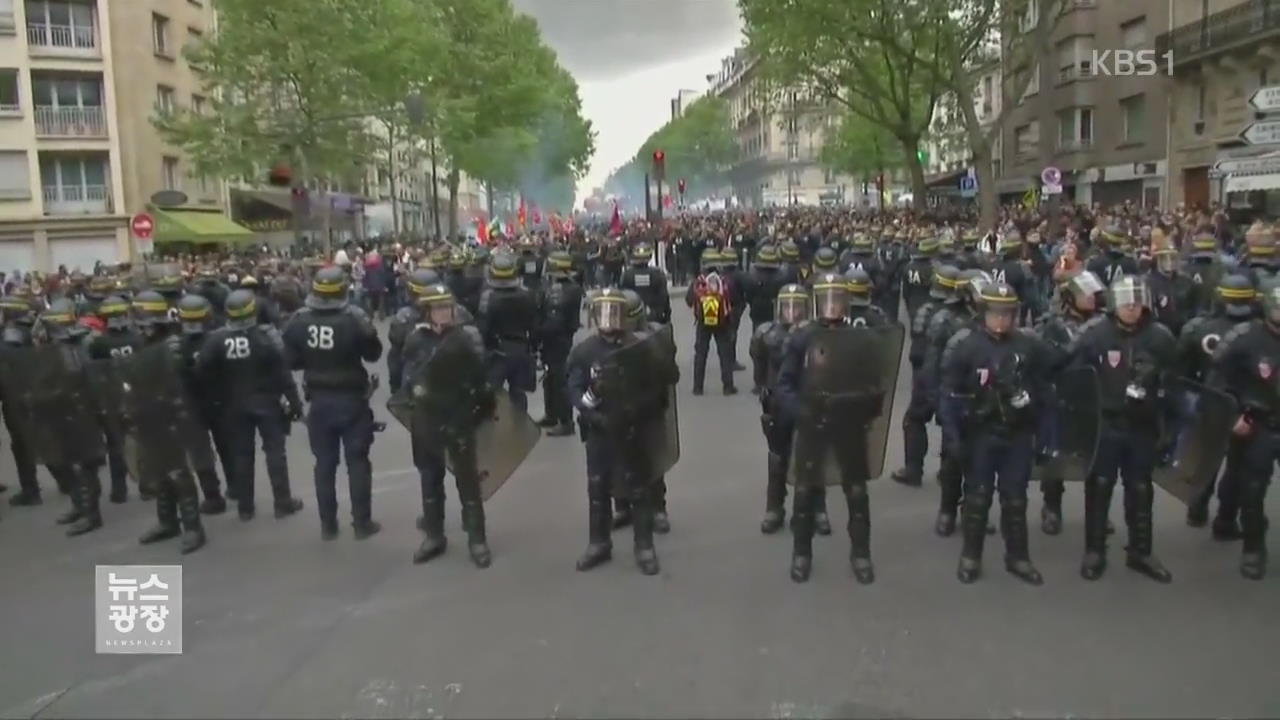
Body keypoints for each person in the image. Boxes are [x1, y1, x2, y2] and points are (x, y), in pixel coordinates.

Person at [776, 272, 895, 583]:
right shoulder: (802, 336)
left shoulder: (862, 337)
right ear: (816, 301)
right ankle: (801, 552)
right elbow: (785, 384)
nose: (832, 306)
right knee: (804, 491)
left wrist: (865, 407)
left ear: (847, 302)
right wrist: (800, 412)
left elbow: (878, 382)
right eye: (826, 299)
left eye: (837, 299)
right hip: (812, 421)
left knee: (856, 491)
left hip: (849, 424)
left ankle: (861, 554)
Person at [1068, 275, 1177, 582]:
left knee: (1140, 488)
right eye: (1127, 302)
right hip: (1106, 424)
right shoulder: (1093, 334)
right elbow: (1073, 375)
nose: (1132, 308)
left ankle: (1141, 551)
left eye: (1137, 302)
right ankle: (1094, 550)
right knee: (1099, 486)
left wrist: (1160, 396)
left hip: (1142, 424)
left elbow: (1177, 379)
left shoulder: (1160, 337)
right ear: (1115, 303)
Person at [941, 281, 1049, 584]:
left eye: (1007, 313)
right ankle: (970, 556)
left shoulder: (1028, 345)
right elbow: (948, 393)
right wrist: (953, 437)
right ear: (983, 312)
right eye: (995, 313)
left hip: (1018, 433)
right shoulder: (966, 347)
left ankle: (1018, 557)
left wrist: (1041, 427)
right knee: (977, 498)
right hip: (981, 433)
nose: (1001, 319)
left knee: (1015, 499)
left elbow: (1045, 385)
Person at [567, 288, 674, 575]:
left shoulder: (642, 346)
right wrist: (591, 407)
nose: (608, 319)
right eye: (602, 313)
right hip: (600, 431)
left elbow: (663, 384)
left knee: (639, 487)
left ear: (625, 316)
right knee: (598, 487)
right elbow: (574, 390)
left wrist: (661, 359)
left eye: (614, 313)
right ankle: (599, 543)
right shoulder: (584, 350)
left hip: (634, 428)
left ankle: (644, 546)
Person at [283, 266, 384, 540]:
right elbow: (373, 354)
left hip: (319, 399)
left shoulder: (299, 320)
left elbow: (290, 359)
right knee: (358, 462)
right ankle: (361, 523)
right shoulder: (354, 318)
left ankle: (328, 525)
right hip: (352, 398)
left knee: (324, 464)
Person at [398, 284, 495, 567]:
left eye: (447, 307)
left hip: (458, 417)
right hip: (427, 418)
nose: (444, 313)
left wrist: (478, 413)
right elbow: (404, 376)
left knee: (467, 482)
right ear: (427, 312)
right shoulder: (415, 340)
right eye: (438, 308)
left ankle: (477, 539)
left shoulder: (465, 339)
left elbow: (481, 381)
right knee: (429, 480)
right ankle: (434, 536)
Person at [197, 289, 305, 523]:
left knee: (241, 455)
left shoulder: (216, 339)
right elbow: (284, 375)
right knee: (275, 453)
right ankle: (282, 502)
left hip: (233, 405)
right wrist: (295, 403)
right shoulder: (267, 337)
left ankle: (245, 507)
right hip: (267, 403)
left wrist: (218, 397)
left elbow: (203, 372)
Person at [1207, 280, 1280, 579]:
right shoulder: (1244, 337)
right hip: (1256, 421)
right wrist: (1234, 413)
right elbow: (1219, 379)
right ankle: (1253, 547)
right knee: (1251, 489)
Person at [750, 284, 811, 533]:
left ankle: (815, 509)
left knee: (812, 457)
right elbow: (759, 367)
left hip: (807, 399)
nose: (793, 312)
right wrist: (765, 390)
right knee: (777, 457)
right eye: (788, 306)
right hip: (777, 402)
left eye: (798, 307)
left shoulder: (814, 333)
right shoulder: (766, 333)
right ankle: (775, 507)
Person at [477, 251, 539, 413]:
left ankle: (495, 429)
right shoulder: (528, 295)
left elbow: (484, 328)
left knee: (492, 393)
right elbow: (534, 325)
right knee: (518, 393)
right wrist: (533, 348)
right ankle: (520, 428)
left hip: (497, 351)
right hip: (521, 348)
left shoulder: (488, 297)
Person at [535, 251, 584, 437]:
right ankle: (552, 414)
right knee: (550, 379)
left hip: (557, 339)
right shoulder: (567, 287)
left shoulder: (563, 290)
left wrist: (538, 331)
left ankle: (566, 421)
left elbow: (554, 320)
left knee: (559, 380)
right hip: (556, 338)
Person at [686, 249, 737, 396]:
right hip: (722, 323)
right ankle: (728, 387)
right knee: (724, 354)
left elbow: (689, 300)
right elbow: (733, 300)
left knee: (701, 354)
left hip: (703, 324)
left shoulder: (698, 282)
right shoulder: (725, 281)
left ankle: (697, 387)